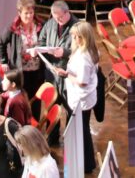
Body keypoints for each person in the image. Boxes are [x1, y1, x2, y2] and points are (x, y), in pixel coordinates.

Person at [53, 22, 98, 173]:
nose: (74, 39)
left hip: (81, 100)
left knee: (83, 132)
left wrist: (66, 75)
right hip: (81, 99)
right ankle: (85, 162)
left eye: (77, 36)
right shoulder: (84, 50)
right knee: (81, 131)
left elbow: (82, 82)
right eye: (73, 36)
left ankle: (87, 164)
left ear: (84, 37)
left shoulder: (84, 57)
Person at [0, 0, 45, 97]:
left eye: (31, 13)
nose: (29, 16)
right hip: (20, 70)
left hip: (37, 70)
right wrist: (4, 61)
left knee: (36, 98)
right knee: (21, 97)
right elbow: (1, 43)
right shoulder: (13, 28)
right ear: (19, 13)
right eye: (26, 13)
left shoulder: (41, 25)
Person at [36, 1, 77, 95]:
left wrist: (65, 52)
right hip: (52, 73)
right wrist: (40, 50)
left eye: (60, 18)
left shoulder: (78, 27)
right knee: (52, 104)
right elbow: (41, 41)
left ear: (67, 12)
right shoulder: (50, 24)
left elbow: (83, 51)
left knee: (70, 106)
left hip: (68, 74)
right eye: (55, 19)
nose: (58, 21)